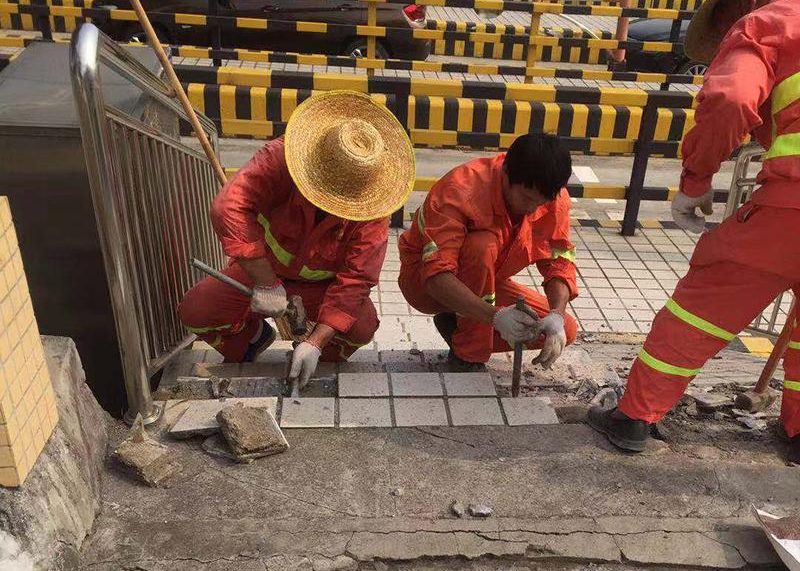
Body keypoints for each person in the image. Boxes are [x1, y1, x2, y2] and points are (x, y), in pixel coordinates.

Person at [588, 0, 800, 460]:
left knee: (699, 310)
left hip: (791, 207)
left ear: (743, 0)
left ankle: (634, 418)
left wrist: (696, 180)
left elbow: (730, 99)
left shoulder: (765, 24)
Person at [179, 91, 415, 388]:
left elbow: (357, 279)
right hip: (263, 271)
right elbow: (228, 208)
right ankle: (251, 341)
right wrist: (267, 283)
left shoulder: (374, 202)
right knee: (197, 310)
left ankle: (312, 359)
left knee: (362, 326)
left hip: (322, 288)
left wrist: (316, 342)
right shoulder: (281, 158)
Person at [397, 132, 579, 370]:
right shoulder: (459, 190)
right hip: (425, 284)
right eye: (526, 198)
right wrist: (496, 317)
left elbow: (559, 262)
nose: (532, 209)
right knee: (482, 246)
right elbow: (435, 276)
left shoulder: (553, 197)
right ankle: (467, 355)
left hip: (485, 281)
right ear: (506, 174)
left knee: (566, 329)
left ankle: (456, 326)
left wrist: (556, 314)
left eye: (540, 203)